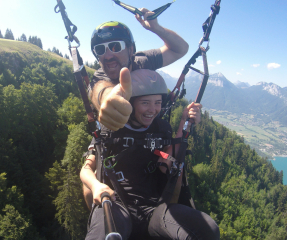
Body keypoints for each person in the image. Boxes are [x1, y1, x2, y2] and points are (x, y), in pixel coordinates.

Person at [80, 69, 220, 240]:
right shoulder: (111, 128)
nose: (152, 110)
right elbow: (86, 169)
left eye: (158, 103)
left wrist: (185, 122)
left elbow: (170, 159)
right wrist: (95, 186)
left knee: (208, 229)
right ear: (130, 103)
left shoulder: (161, 129)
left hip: (155, 210)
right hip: (117, 205)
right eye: (145, 103)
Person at [89, 9, 189, 131]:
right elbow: (99, 90)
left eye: (115, 46)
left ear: (131, 50)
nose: (108, 56)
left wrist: (157, 28)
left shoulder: (143, 61)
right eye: (100, 50)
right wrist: (107, 99)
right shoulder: (100, 76)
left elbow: (181, 49)